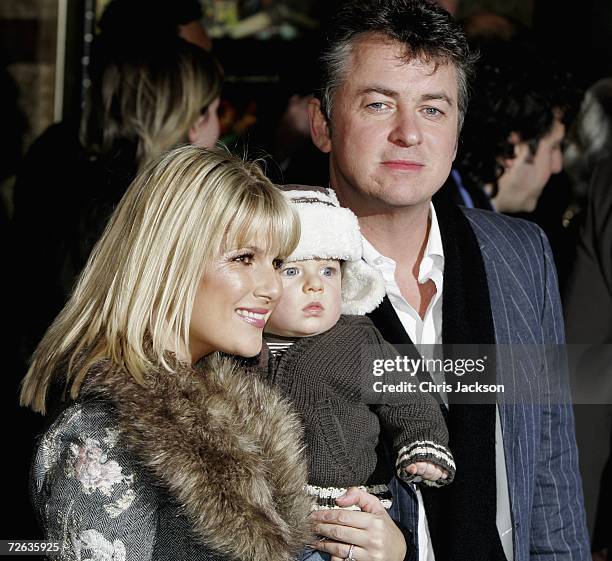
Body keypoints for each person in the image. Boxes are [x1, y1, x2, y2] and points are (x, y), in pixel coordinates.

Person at [20, 146, 409, 561]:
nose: (273, 286)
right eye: (244, 258)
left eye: (277, 262)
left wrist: (386, 550)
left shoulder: (249, 411)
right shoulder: (99, 437)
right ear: (169, 261)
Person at [306, 1, 589, 560]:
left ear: (458, 132)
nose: (408, 133)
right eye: (379, 103)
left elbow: (550, 469)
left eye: (433, 109)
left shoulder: (519, 254)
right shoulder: (275, 270)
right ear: (323, 124)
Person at [259, 186, 454, 538]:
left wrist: (422, 443)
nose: (314, 286)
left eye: (328, 271)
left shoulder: (358, 340)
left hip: (343, 512)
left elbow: (409, 397)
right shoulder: (241, 344)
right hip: (260, 516)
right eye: (292, 272)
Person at [450, 38, 570, 213]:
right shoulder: (455, 224)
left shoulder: (456, 204)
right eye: (553, 147)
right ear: (512, 146)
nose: (557, 166)